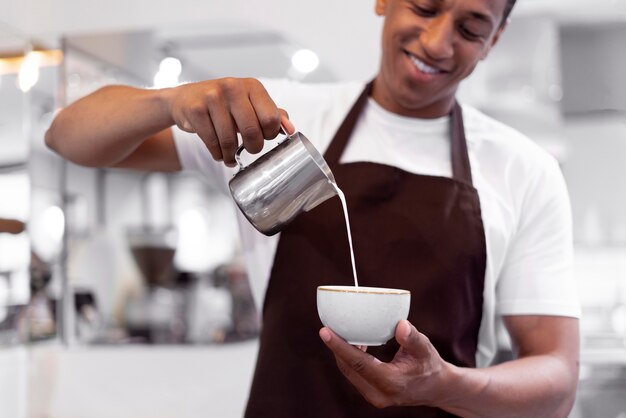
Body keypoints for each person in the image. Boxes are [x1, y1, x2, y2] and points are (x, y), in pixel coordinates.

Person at [45, 0, 581, 416]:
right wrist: (168, 101)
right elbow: (66, 136)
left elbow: (556, 381)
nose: (439, 42)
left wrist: (446, 386)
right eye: (424, 6)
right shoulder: (277, 121)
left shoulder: (522, 169)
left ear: (495, 39)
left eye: (470, 28)